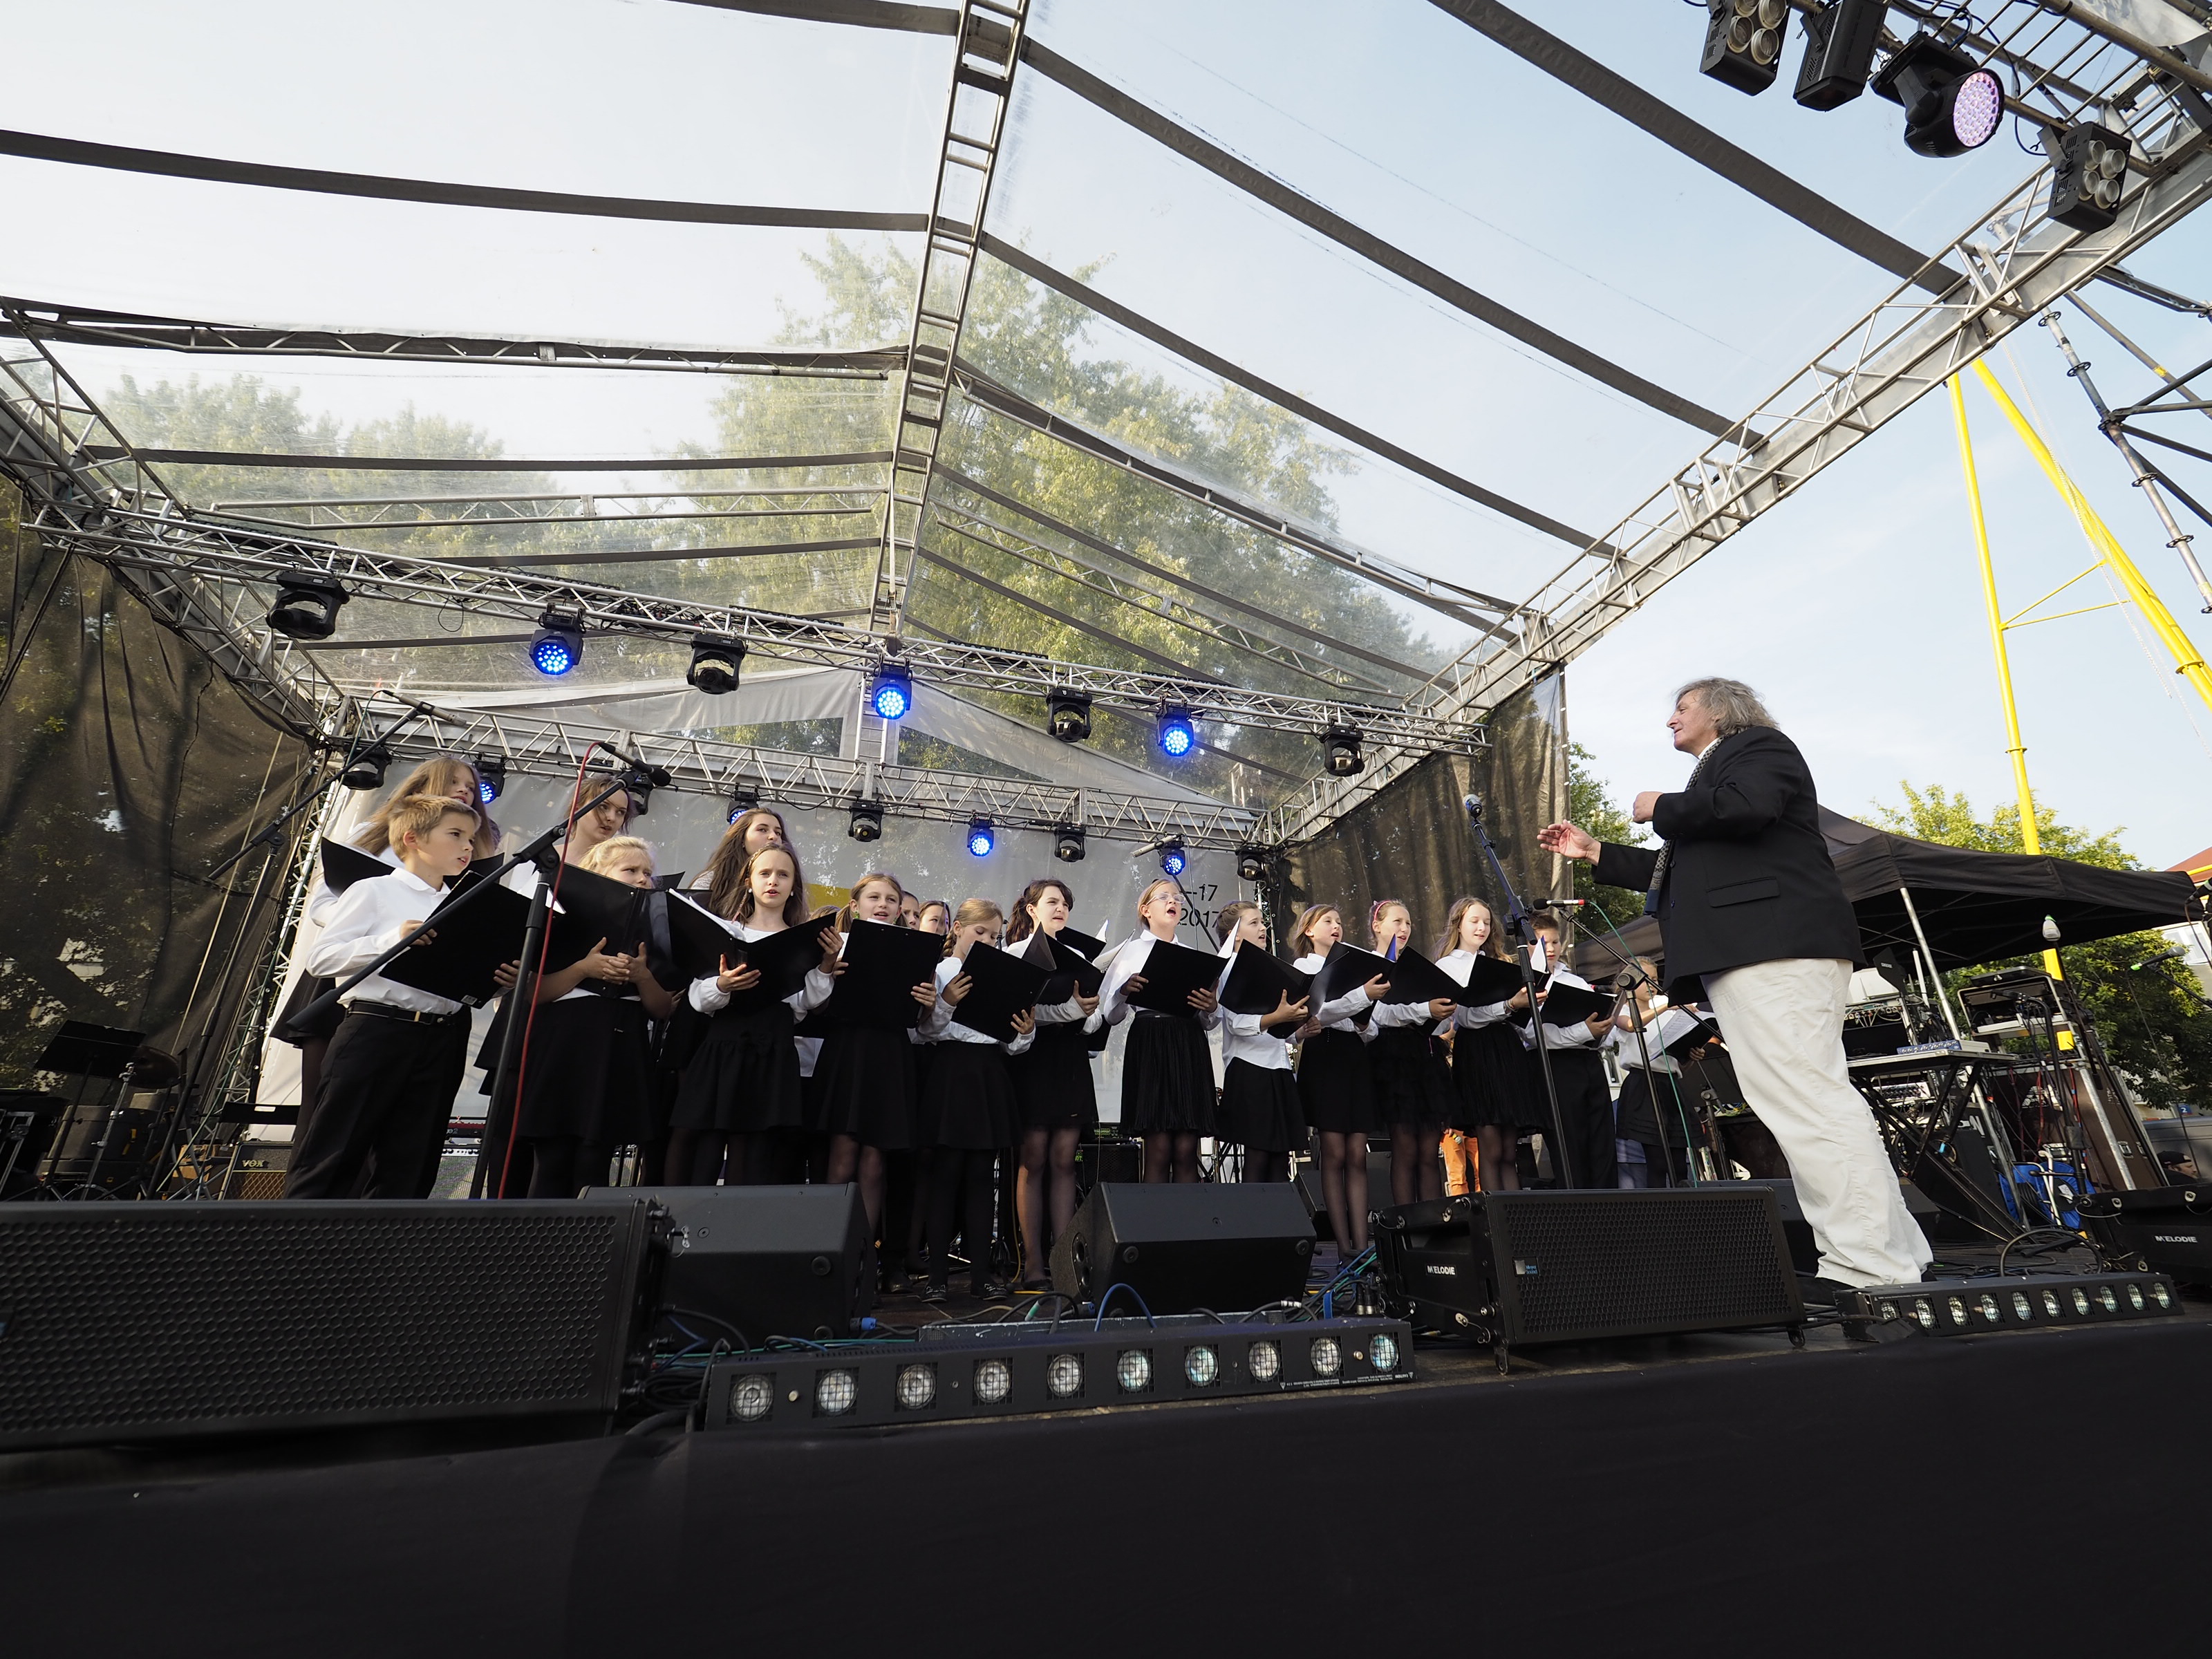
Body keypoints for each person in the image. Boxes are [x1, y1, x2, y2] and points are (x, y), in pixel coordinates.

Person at [1539, 675, 1933, 1292]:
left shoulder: (1758, 747)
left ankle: (1870, 1265)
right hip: (1758, 953)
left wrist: (1662, 806)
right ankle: (1891, 1252)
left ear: (1721, 712)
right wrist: (1597, 853)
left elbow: (1746, 807)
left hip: (1772, 949)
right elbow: (1685, 870)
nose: (1670, 719)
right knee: (1811, 1100)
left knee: (1806, 1102)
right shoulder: (1720, 780)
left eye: (1682, 707)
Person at [276, 755, 498, 1150]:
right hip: (361, 977)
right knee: (333, 1119)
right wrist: (384, 926)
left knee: (406, 1138)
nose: (465, 791)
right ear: (423, 786)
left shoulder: (472, 855)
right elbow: (324, 906)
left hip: (429, 996)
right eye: (455, 782)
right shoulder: (374, 838)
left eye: (471, 786)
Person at [505, 834, 677, 1198]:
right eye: (631, 870)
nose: (642, 879)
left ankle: (588, 1233)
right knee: (552, 1159)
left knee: (594, 1161)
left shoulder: (659, 929)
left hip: (620, 1045)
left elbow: (662, 1009)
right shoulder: (564, 916)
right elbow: (534, 994)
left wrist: (642, 976)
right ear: (598, 873)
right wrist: (584, 968)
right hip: (565, 1043)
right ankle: (540, 1233)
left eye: (648, 873)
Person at [666, 842, 839, 1188]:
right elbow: (698, 998)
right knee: (706, 1141)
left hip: (773, 1048)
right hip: (723, 1045)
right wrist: (724, 985)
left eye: (783, 875)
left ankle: (738, 1221)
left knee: (754, 1150)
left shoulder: (803, 940)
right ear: (749, 881)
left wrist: (825, 966)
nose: (773, 881)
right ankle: (689, 1220)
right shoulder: (728, 931)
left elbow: (804, 1004)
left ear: (794, 887)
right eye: (765, 873)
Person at [814, 872, 939, 1236]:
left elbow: (920, 1023)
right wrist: (827, 971)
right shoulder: (837, 944)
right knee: (841, 1158)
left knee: (874, 1163)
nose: (882, 904)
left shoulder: (916, 950)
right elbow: (814, 1008)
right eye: (874, 897)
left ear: (900, 910)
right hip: (848, 1052)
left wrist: (930, 1004)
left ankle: (865, 1255)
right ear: (855, 905)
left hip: (890, 1056)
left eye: (890, 899)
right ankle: (829, 1249)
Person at [919, 899, 1031, 1301]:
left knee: (983, 1179)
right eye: (979, 932)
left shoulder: (1002, 973)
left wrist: (1025, 1031)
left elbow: (1012, 1044)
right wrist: (946, 1001)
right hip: (951, 1073)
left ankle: (981, 1277)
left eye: (994, 936)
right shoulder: (942, 970)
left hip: (988, 1075)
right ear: (959, 929)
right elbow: (926, 1031)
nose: (986, 940)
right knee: (946, 1176)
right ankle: (936, 1278)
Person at [1004, 879, 1101, 1291]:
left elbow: (1093, 1019)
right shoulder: (1014, 954)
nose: (1060, 909)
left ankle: (1064, 1263)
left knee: (1065, 1161)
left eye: (1065, 904)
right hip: (1033, 1059)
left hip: (1070, 1060)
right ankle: (1033, 1263)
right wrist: (1068, 1010)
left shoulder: (1080, 957)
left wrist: (1091, 1012)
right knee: (1034, 1159)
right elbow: (1018, 1012)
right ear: (1032, 909)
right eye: (1052, 902)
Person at [1090, 878, 1219, 1184]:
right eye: (1164, 897)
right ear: (1146, 910)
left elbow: (1208, 1022)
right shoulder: (1130, 952)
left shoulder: (1191, 954)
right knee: (1158, 1148)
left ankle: (1189, 1216)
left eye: (1177, 898)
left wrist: (1211, 1007)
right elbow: (1111, 1015)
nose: (1173, 901)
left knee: (1187, 1149)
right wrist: (1124, 991)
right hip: (1151, 1041)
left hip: (1187, 1043)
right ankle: (1155, 1216)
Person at [1288, 904, 1390, 1256]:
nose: (1336, 927)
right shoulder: (1305, 967)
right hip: (1325, 1055)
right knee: (1333, 1153)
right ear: (1308, 930)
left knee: (1357, 1154)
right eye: (1328, 921)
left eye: (1340, 922)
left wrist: (1364, 1020)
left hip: (1353, 1057)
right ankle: (1342, 1245)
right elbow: (1317, 1012)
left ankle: (1363, 1244)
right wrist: (1361, 997)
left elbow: (1370, 1028)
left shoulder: (1353, 967)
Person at [1436, 897, 1544, 1194]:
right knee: (1491, 1147)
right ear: (1458, 924)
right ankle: (1495, 1215)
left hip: (1507, 1049)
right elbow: (1464, 1017)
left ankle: (1516, 1216)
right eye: (1474, 921)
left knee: (1510, 1151)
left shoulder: (1500, 962)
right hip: (1478, 1052)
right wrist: (1509, 1005)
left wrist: (1527, 1003)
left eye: (1486, 922)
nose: (1481, 928)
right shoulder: (1448, 965)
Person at [1212, 901, 1309, 1185]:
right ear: (1234, 935)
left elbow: (1278, 1028)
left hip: (1278, 1068)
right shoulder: (1229, 968)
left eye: (1262, 922)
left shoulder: (1270, 968)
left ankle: (1280, 1215)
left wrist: (1299, 1030)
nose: (1263, 927)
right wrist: (1278, 1016)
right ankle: (1253, 1215)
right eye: (1253, 923)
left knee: (1280, 1158)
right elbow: (1236, 1023)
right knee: (1258, 1156)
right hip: (1249, 1069)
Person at [1366, 898, 1454, 1206]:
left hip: (1424, 1056)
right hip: (1391, 1059)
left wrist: (1440, 1011)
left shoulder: (1417, 968)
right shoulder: (1368, 965)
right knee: (1405, 1149)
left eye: (1408, 923)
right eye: (1397, 922)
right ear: (1377, 926)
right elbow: (1379, 1015)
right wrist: (1423, 1009)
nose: (1404, 929)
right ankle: (1407, 1223)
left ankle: (1435, 1223)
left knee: (1429, 1151)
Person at [1521, 912, 1617, 1188]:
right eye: (1543, 943)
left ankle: (1609, 1204)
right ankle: (1578, 1207)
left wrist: (1602, 1029)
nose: (1551, 949)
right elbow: (1535, 1035)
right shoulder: (1526, 983)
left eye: (1555, 942)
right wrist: (1584, 1031)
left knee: (1602, 1143)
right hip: (1555, 1068)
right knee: (1570, 1145)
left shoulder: (1575, 980)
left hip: (1590, 1062)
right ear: (1528, 946)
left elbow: (1603, 1029)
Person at [1604, 959, 1705, 1188]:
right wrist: (1667, 1006)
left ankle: (1685, 1207)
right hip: (1643, 1084)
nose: (1652, 985)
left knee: (1679, 1165)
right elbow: (1631, 1025)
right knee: (1657, 1162)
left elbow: (1676, 1065)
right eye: (1646, 980)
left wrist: (1691, 1055)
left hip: (1669, 1085)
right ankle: (1660, 1208)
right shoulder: (1621, 1009)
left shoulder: (1666, 1011)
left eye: (1655, 980)